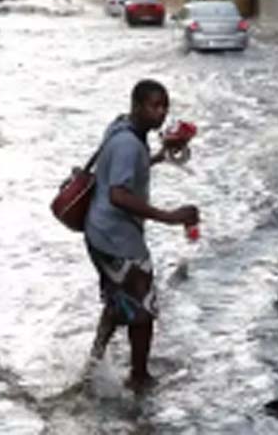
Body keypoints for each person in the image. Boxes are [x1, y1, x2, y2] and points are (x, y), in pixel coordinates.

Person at [84, 79, 199, 392]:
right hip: (116, 238)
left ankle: (93, 363)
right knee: (144, 308)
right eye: (154, 106)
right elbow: (118, 194)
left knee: (117, 298)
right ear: (137, 106)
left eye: (164, 107)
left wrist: (161, 156)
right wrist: (170, 216)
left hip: (98, 233)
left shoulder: (121, 128)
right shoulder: (128, 144)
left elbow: (126, 170)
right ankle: (139, 377)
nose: (160, 113)